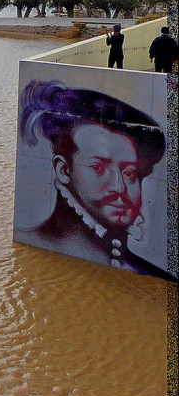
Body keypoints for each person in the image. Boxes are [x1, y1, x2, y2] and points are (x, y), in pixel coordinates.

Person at [16, 79, 172, 280]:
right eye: (98, 167)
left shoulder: (151, 275)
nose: (119, 186)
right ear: (63, 170)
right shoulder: (28, 256)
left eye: (130, 173)